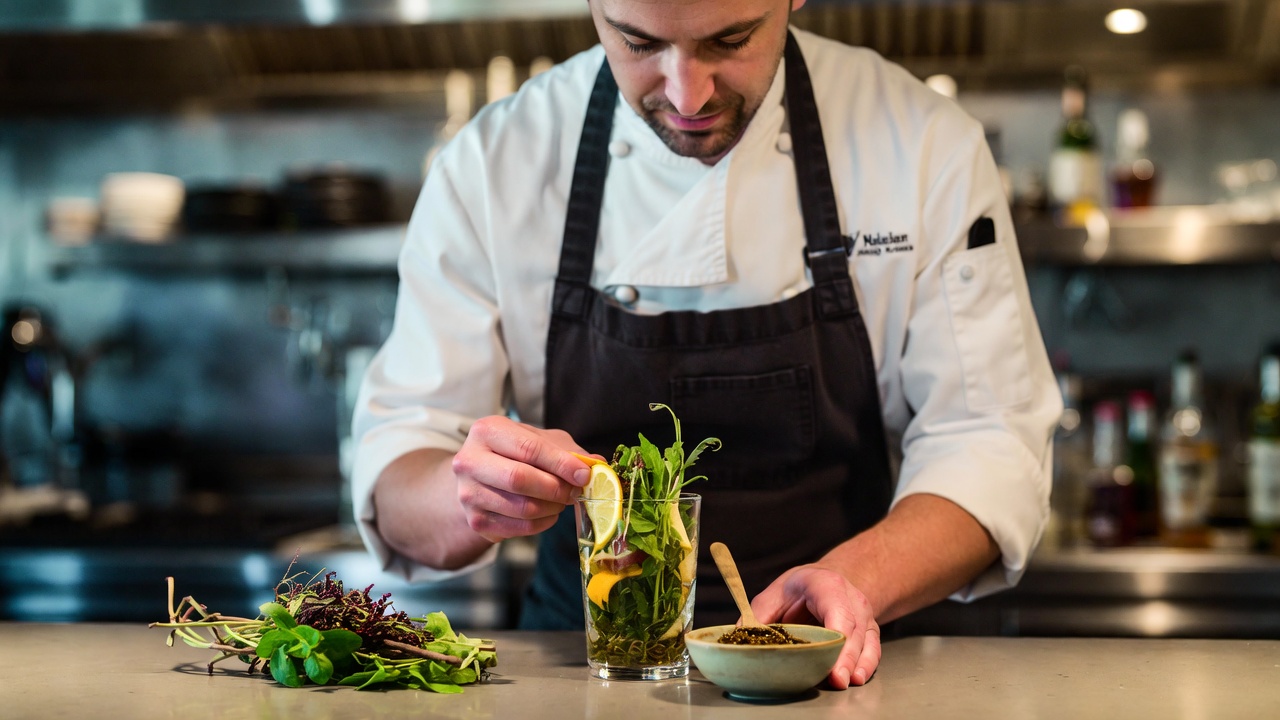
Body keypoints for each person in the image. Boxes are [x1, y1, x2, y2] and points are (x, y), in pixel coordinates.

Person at [351, 0, 1061, 690]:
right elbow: (396, 476)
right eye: (636, 43)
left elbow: (990, 444)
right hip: (587, 680)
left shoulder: (920, 142)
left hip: (843, 674)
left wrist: (857, 579)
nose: (688, 94)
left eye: (731, 40)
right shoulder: (495, 162)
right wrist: (472, 495)